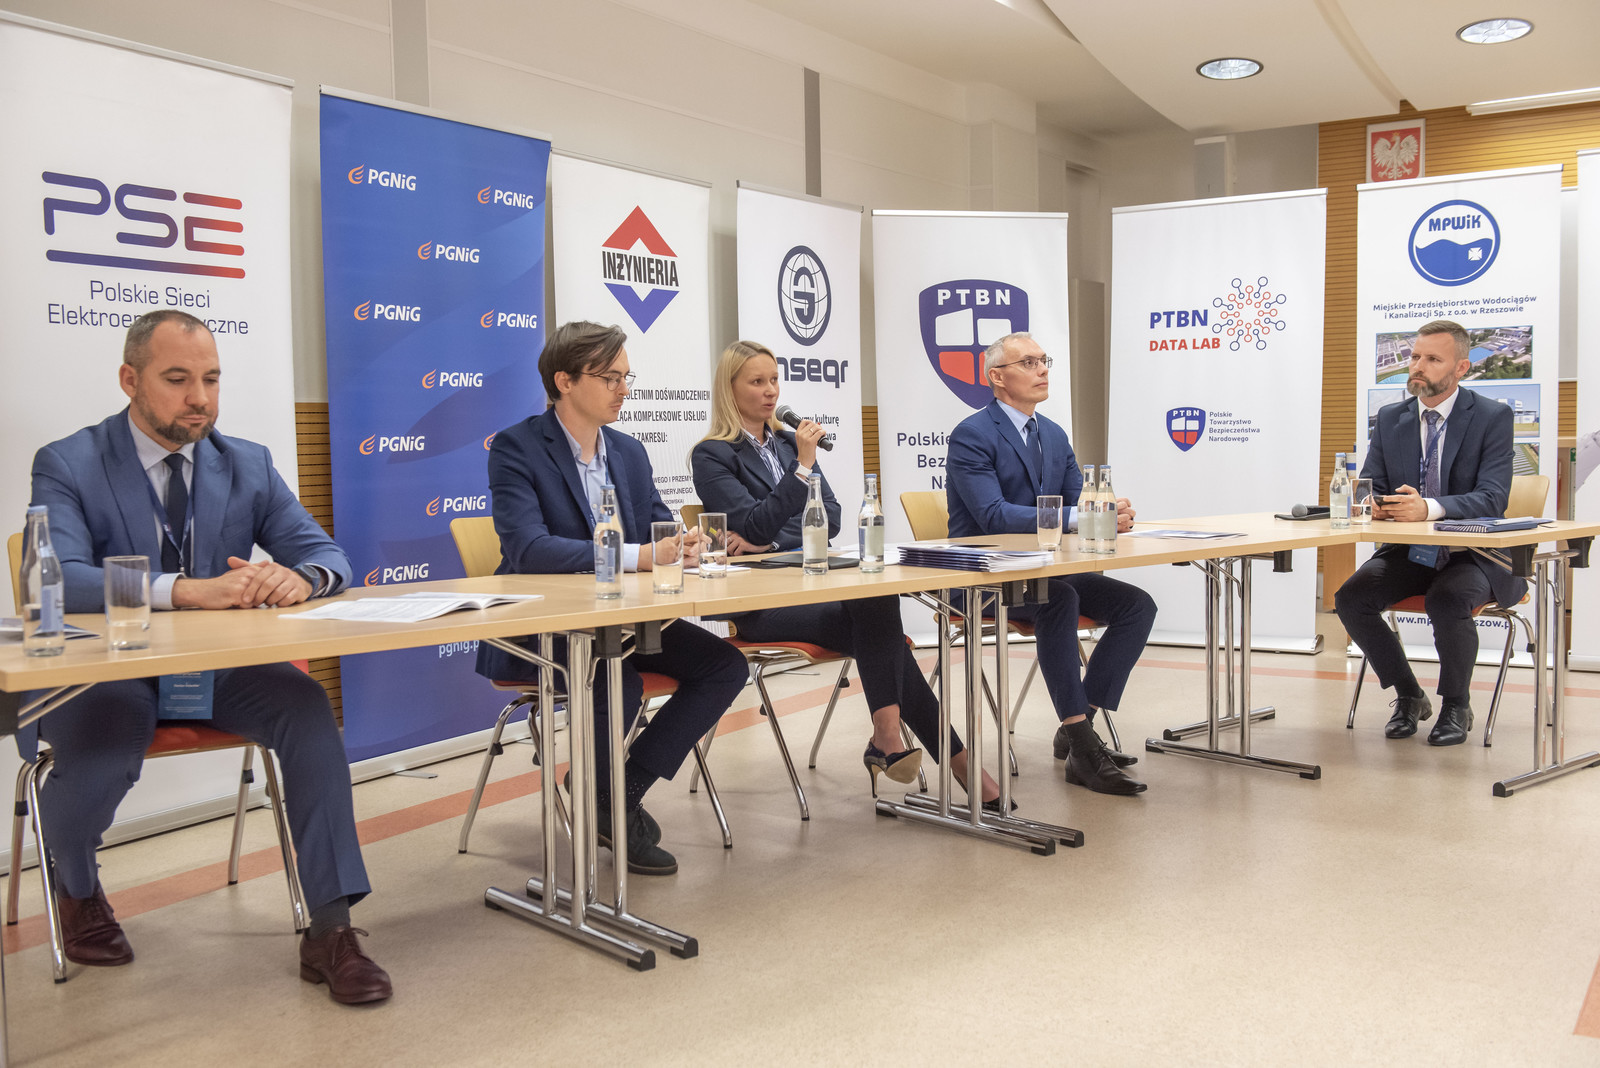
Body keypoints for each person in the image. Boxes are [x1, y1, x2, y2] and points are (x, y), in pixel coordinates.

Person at [26, 310, 390, 1004]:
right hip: (110, 670)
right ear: (130, 379)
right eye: (177, 379)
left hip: (213, 672)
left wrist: (300, 578)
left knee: (307, 708)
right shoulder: (68, 461)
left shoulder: (246, 462)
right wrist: (184, 591)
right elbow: (60, 578)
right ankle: (76, 884)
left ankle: (330, 927)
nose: (200, 398)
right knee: (110, 736)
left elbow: (326, 554)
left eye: (212, 379)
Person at [476, 321, 749, 875]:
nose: (624, 389)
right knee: (615, 679)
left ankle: (616, 793)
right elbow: (529, 549)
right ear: (565, 382)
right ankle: (608, 802)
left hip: (625, 622)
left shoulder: (628, 450)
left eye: (627, 377)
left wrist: (681, 544)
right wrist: (640, 556)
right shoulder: (516, 447)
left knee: (724, 665)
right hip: (544, 627)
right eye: (610, 378)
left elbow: (657, 525)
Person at [690, 341, 1005, 808]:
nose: (771, 391)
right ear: (729, 389)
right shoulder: (713, 455)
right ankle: (951, 762)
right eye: (757, 382)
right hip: (761, 604)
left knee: (876, 600)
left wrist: (771, 540)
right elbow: (753, 524)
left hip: (812, 585)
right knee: (885, 636)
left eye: (774, 379)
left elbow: (831, 518)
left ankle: (891, 737)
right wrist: (798, 478)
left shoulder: (786, 443)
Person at [946, 332, 1155, 796]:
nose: (1042, 369)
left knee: (1136, 605)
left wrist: (1107, 513)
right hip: (982, 576)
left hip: (1044, 570)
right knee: (1058, 599)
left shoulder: (1054, 434)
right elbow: (993, 515)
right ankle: (1084, 747)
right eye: (1028, 362)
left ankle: (1079, 731)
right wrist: (1080, 516)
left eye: (1044, 360)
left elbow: (1081, 504)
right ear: (997, 377)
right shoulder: (972, 434)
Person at [1335, 319, 1525, 746]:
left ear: (1461, 368)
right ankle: (1409, 695)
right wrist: (1375, 505)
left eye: (1433, 359)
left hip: (1473, 555)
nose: (1418, 366)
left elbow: (1493, 497)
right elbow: (1370, 486)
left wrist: (1429, 508)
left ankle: (1456, 704)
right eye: (1415, 356)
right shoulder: (1391, 418)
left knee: (1448, 598)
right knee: (1351, 598)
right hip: (1413, 552)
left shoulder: (1492, 416)